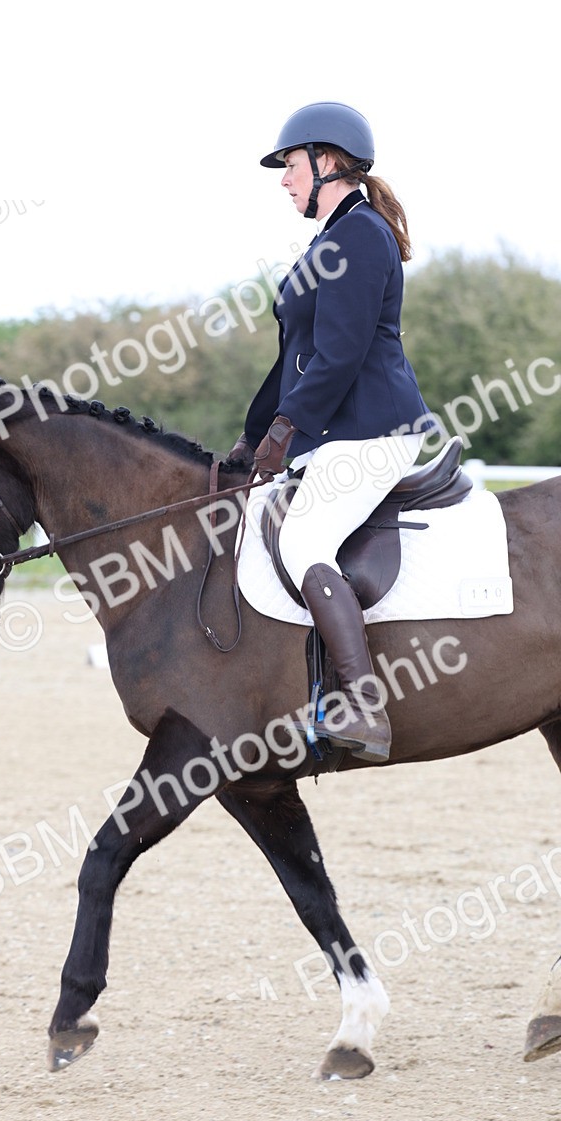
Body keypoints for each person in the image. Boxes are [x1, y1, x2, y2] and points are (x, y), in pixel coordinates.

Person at [228, 101, 436, 763]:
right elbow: (295, 352)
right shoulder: (330, 240)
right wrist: (253, 434)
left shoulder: (360, 236)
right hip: (337, 433)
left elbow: (341, 353)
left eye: (289, 165)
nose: (283, 179)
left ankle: (362, 703)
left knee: (306, 537)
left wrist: (287, 429)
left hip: (374, 430)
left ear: (327, 162)